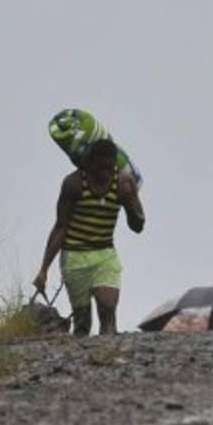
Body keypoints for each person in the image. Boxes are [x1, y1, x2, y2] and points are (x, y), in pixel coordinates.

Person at [33, 139, 145, 336]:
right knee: (83, 323)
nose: (105, 173)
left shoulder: (124, 183)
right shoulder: (73, 184)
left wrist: (129, 203)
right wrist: (44, 269)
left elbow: (138, 226)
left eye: (109, 168)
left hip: (105, 255)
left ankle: (109, 356)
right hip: (74, 258)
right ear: (89, 163)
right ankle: (84, 360)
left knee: (108, 309)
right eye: (100, 167)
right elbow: (60, 227)